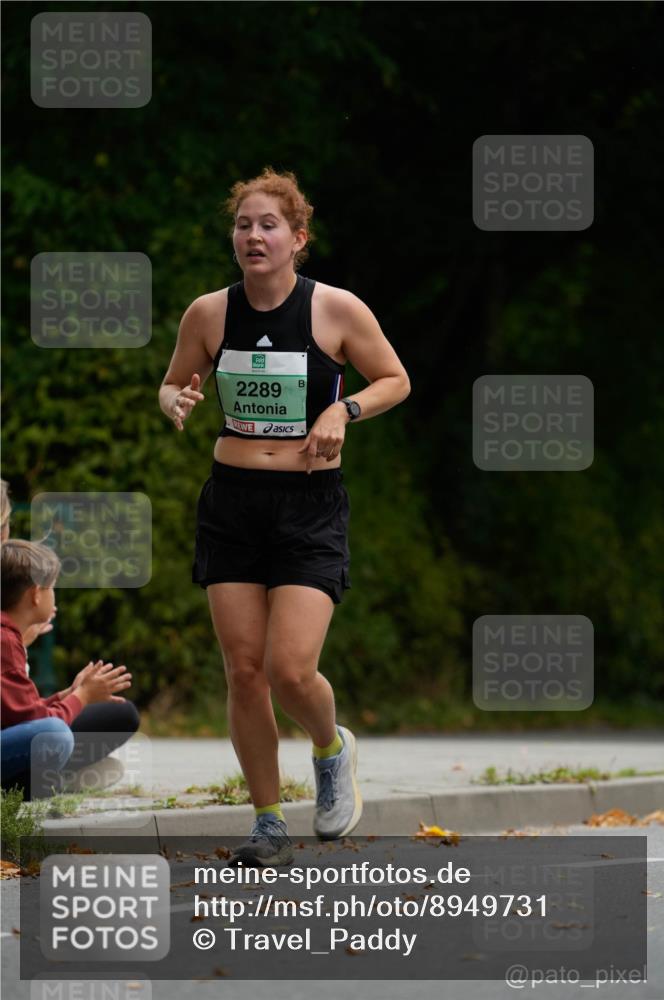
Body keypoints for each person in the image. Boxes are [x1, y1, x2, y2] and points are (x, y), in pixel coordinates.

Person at [159, 167, 410, 866]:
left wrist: (342, 408)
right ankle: (267, 821)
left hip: (309, 506)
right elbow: (176, 380)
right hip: (231, 504)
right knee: (244, 671)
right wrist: (174, 402)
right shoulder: (208, 314)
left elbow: (395, 378)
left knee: (290, 669)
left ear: (297, 238)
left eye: (268, 224)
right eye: (243, 225)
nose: (252, 236)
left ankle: (331, 748)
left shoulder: (336, 310)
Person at [1, 537, 139, 799]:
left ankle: (50, 780)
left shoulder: (9, 636)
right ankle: (48, 783)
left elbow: (20, 714)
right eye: (52, 587)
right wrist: (82, 697)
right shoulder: (5, 641)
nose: (55, 595)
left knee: (114, 713)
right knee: (54, 735)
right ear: (35, 594)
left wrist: (68, 695)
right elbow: (37, 724)